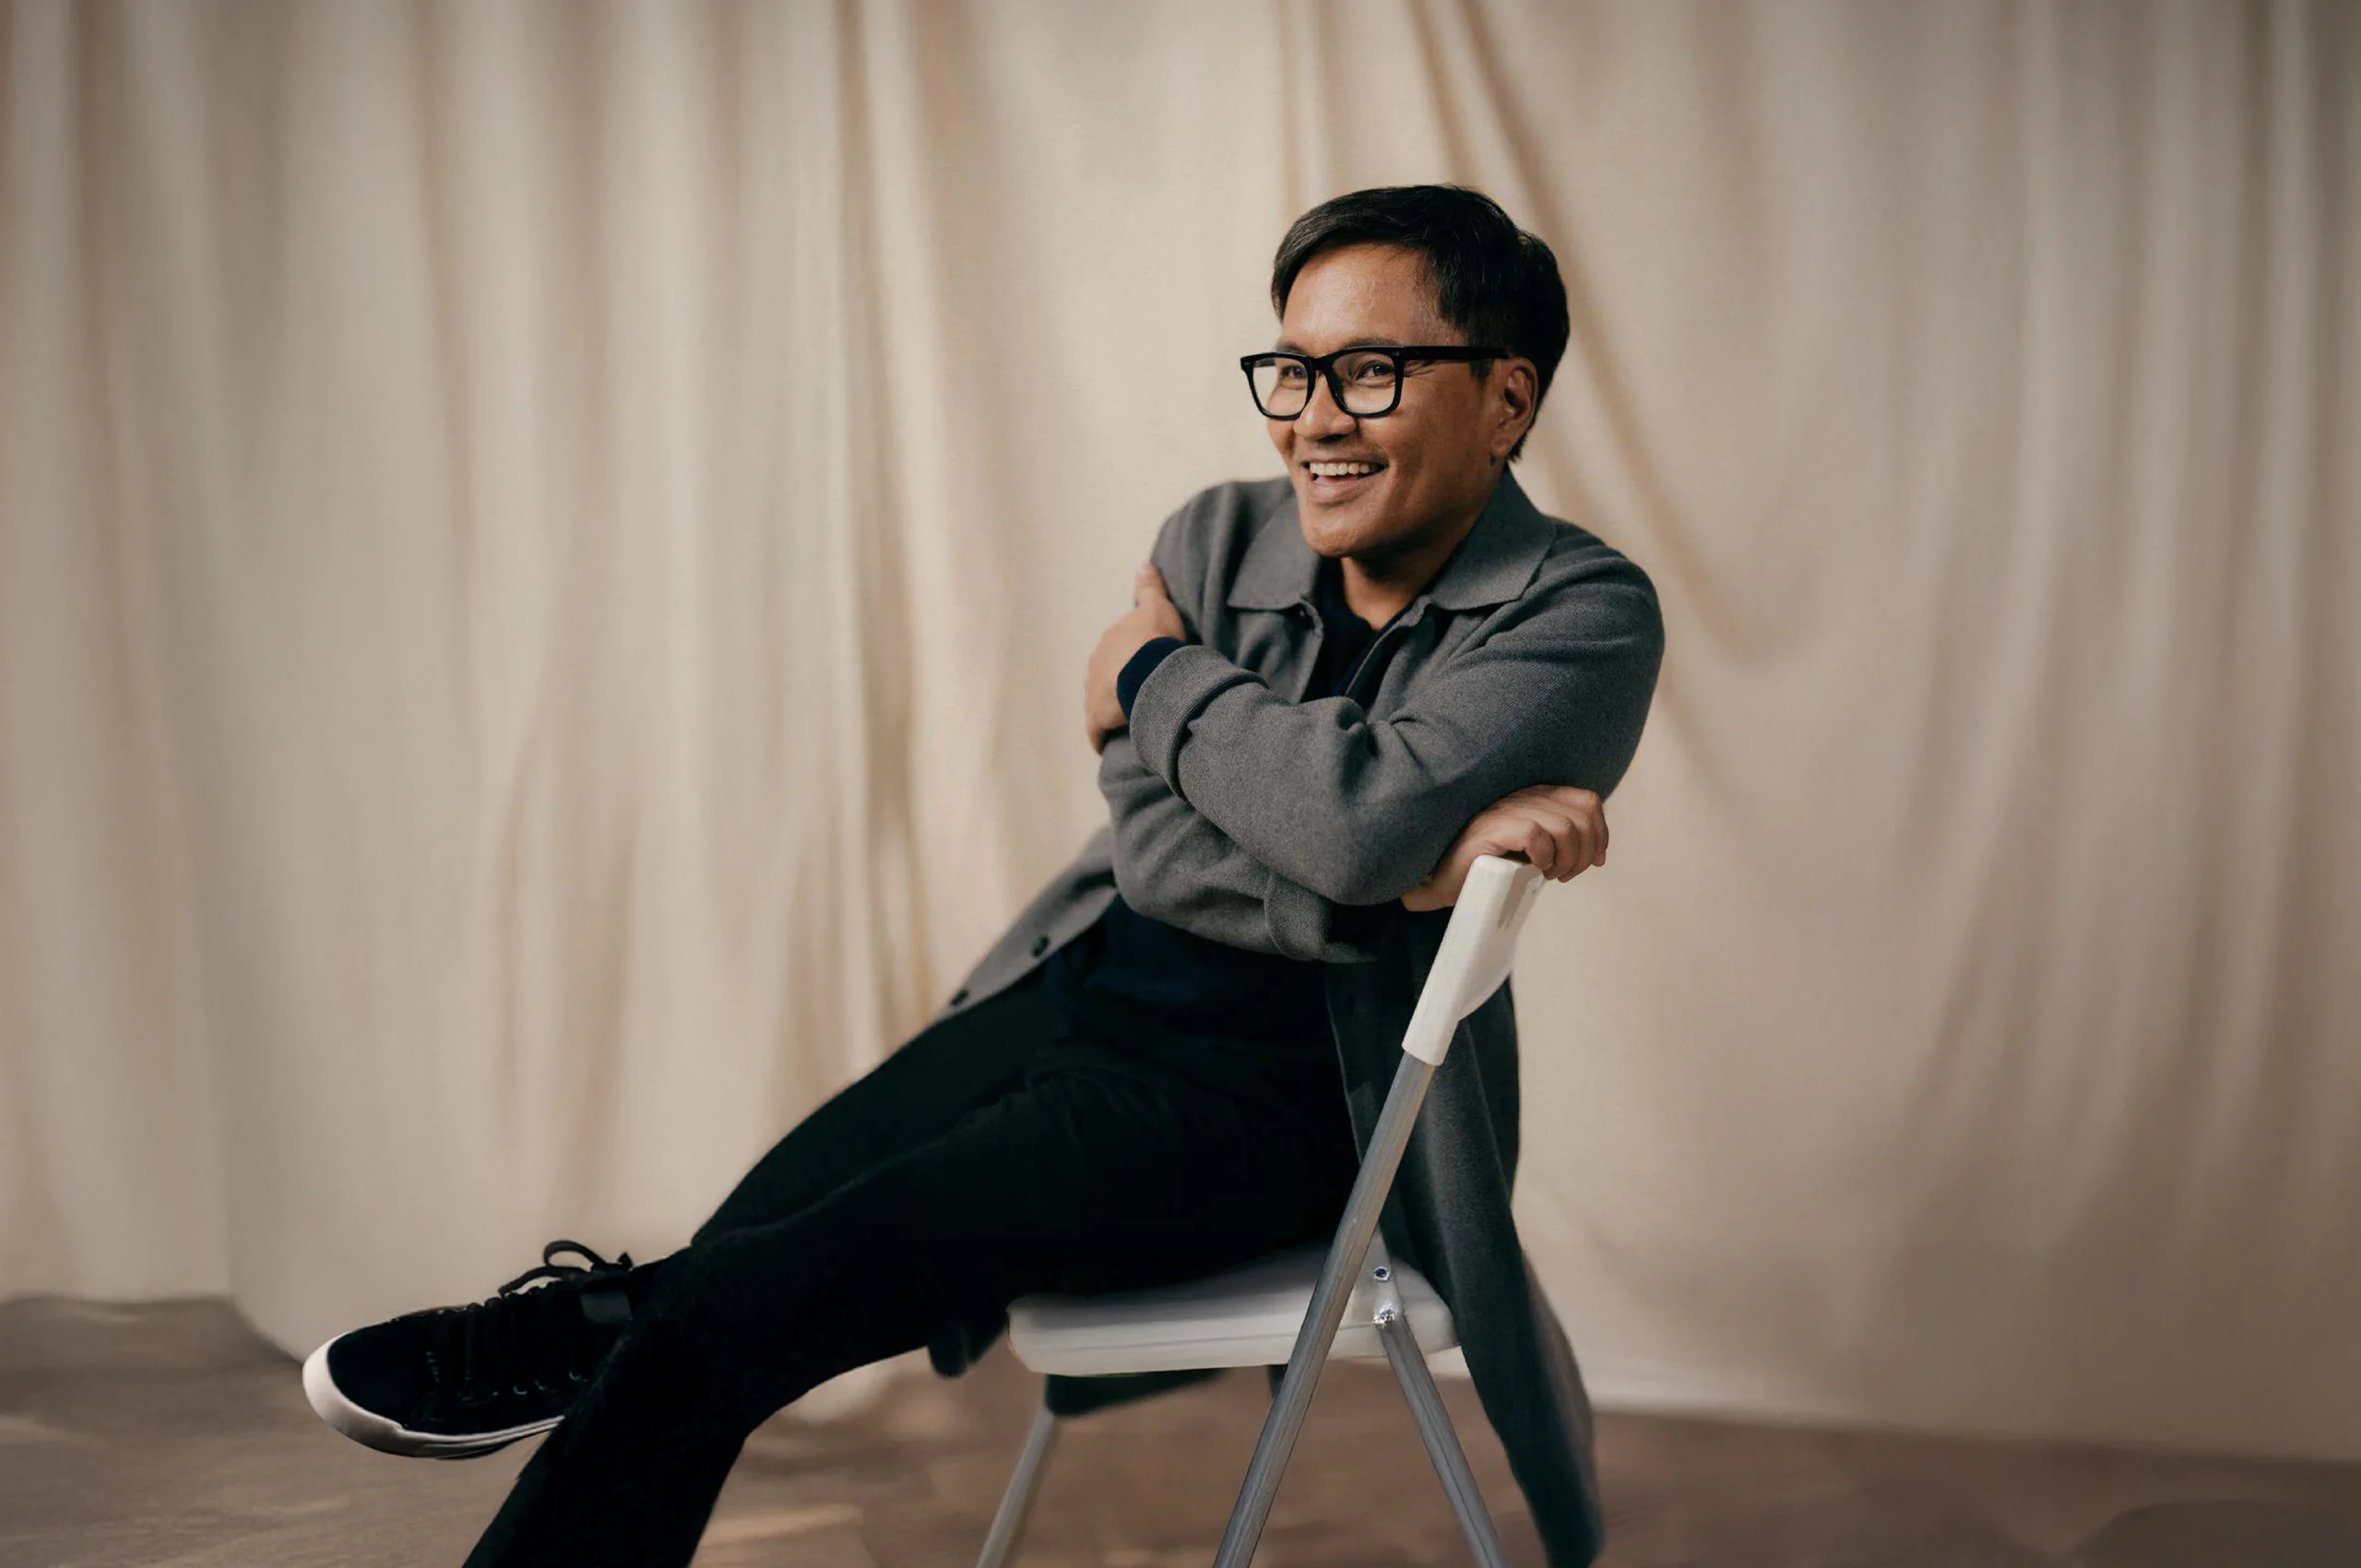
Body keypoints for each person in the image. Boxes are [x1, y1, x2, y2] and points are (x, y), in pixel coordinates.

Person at [303, 184, 1664, 1568]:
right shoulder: (1216, 536)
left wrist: (1151, 673)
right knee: (736, 1265)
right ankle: (598, 1328)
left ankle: (569, 1331)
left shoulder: (1584, 613)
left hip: (1282, 1109)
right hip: (1070, 994)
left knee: (741, 1303)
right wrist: (1377, 869)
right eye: (1293, 370)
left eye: (1371, 372)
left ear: (1506, 399)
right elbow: (1163, 843)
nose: (1315, 417)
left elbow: (1351, 827)